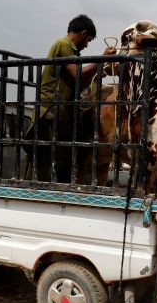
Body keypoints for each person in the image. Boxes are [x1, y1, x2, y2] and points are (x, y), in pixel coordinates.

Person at [28, 14, 116, 182]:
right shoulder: (64, 45)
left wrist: (98, 73)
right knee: (51, 160)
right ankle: (47, 192)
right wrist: (102, 60)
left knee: (70, 154)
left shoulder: (71, 52)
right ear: (83, 33)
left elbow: (79, 82)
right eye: (88, 40)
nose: (86, 45)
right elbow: (77, 75)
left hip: (60, 112)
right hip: (51, 112)